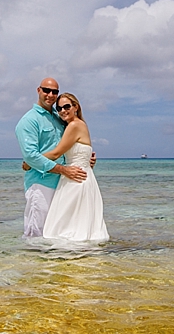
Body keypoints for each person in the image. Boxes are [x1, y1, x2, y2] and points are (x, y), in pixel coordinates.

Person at [15, 78, 87, 238]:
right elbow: (31, 156)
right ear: (38, 90)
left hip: (65, 184)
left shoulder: (59, 116)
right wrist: (63, 170)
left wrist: (85, 157)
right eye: (46, 90)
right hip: (42, 183)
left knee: (59, 233)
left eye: (55, 91)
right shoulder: (29, 121)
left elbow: (71, 143)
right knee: (36, 235)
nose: (51, 94)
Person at [40, 92, 109, 243]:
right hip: (84, 178)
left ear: (75, 107)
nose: (63, 111)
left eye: (66, 106)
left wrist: (31, 160)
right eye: (59, 108)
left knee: (65, 228)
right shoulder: (81, 125)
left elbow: (57, 152)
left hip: (75, 180)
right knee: (78, 224)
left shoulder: (74, 125)